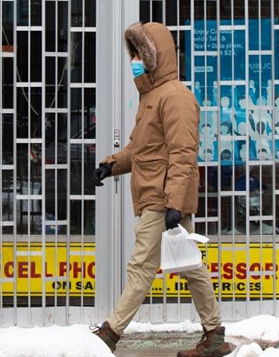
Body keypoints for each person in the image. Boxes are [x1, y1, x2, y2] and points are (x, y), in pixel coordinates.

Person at [91, 22, 234, 357]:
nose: (136, 61)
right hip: (160, 195)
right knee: (190, 266)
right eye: (134, 54)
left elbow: (183, 154)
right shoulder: (152, 97)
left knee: (140, 266)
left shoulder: (176, 97)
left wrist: (173, 204)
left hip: (162, 197)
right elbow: (141, 150)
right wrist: (112, 165)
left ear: (157, 58)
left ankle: (109, 334)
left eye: (142, 54)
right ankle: (214, 335)